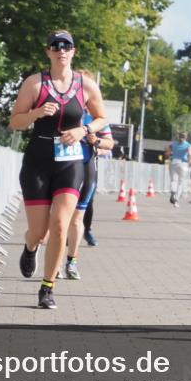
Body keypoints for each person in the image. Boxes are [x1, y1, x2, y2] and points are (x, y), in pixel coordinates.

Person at [8, 30, 108, 309]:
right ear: (48, 52)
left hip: (70, 162)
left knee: (61, 224)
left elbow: (102, 118)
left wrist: (83, 129)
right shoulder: (34, 83)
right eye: (55, 46)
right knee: (39, 232)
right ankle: (30, 248)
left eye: (66, 46)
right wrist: (35, 114)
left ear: (73, 51)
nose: (61, 50)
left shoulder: (86, 85)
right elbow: (14, 122)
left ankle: (47, 287)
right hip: (38, 160)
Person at [64, 79, 115, 279]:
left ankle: (72, 262)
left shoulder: (96, 117)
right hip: (63, 169)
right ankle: (55, 262)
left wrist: (97, 141)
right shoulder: (64, 112)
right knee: (59, 220)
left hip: (86, 170)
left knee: (77, 219)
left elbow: (110, 144)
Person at [165, 132, 191, 206]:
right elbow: (190, 154)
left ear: (179, 136)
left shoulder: (173, 144)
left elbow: (167, 153)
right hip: (183, 164)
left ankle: (173, 192)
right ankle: (176, 200)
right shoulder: (188, 145)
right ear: (186, 137)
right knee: (181, 182)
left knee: (173, 180)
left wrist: (170, 155)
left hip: (174, 162)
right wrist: (190, 160)